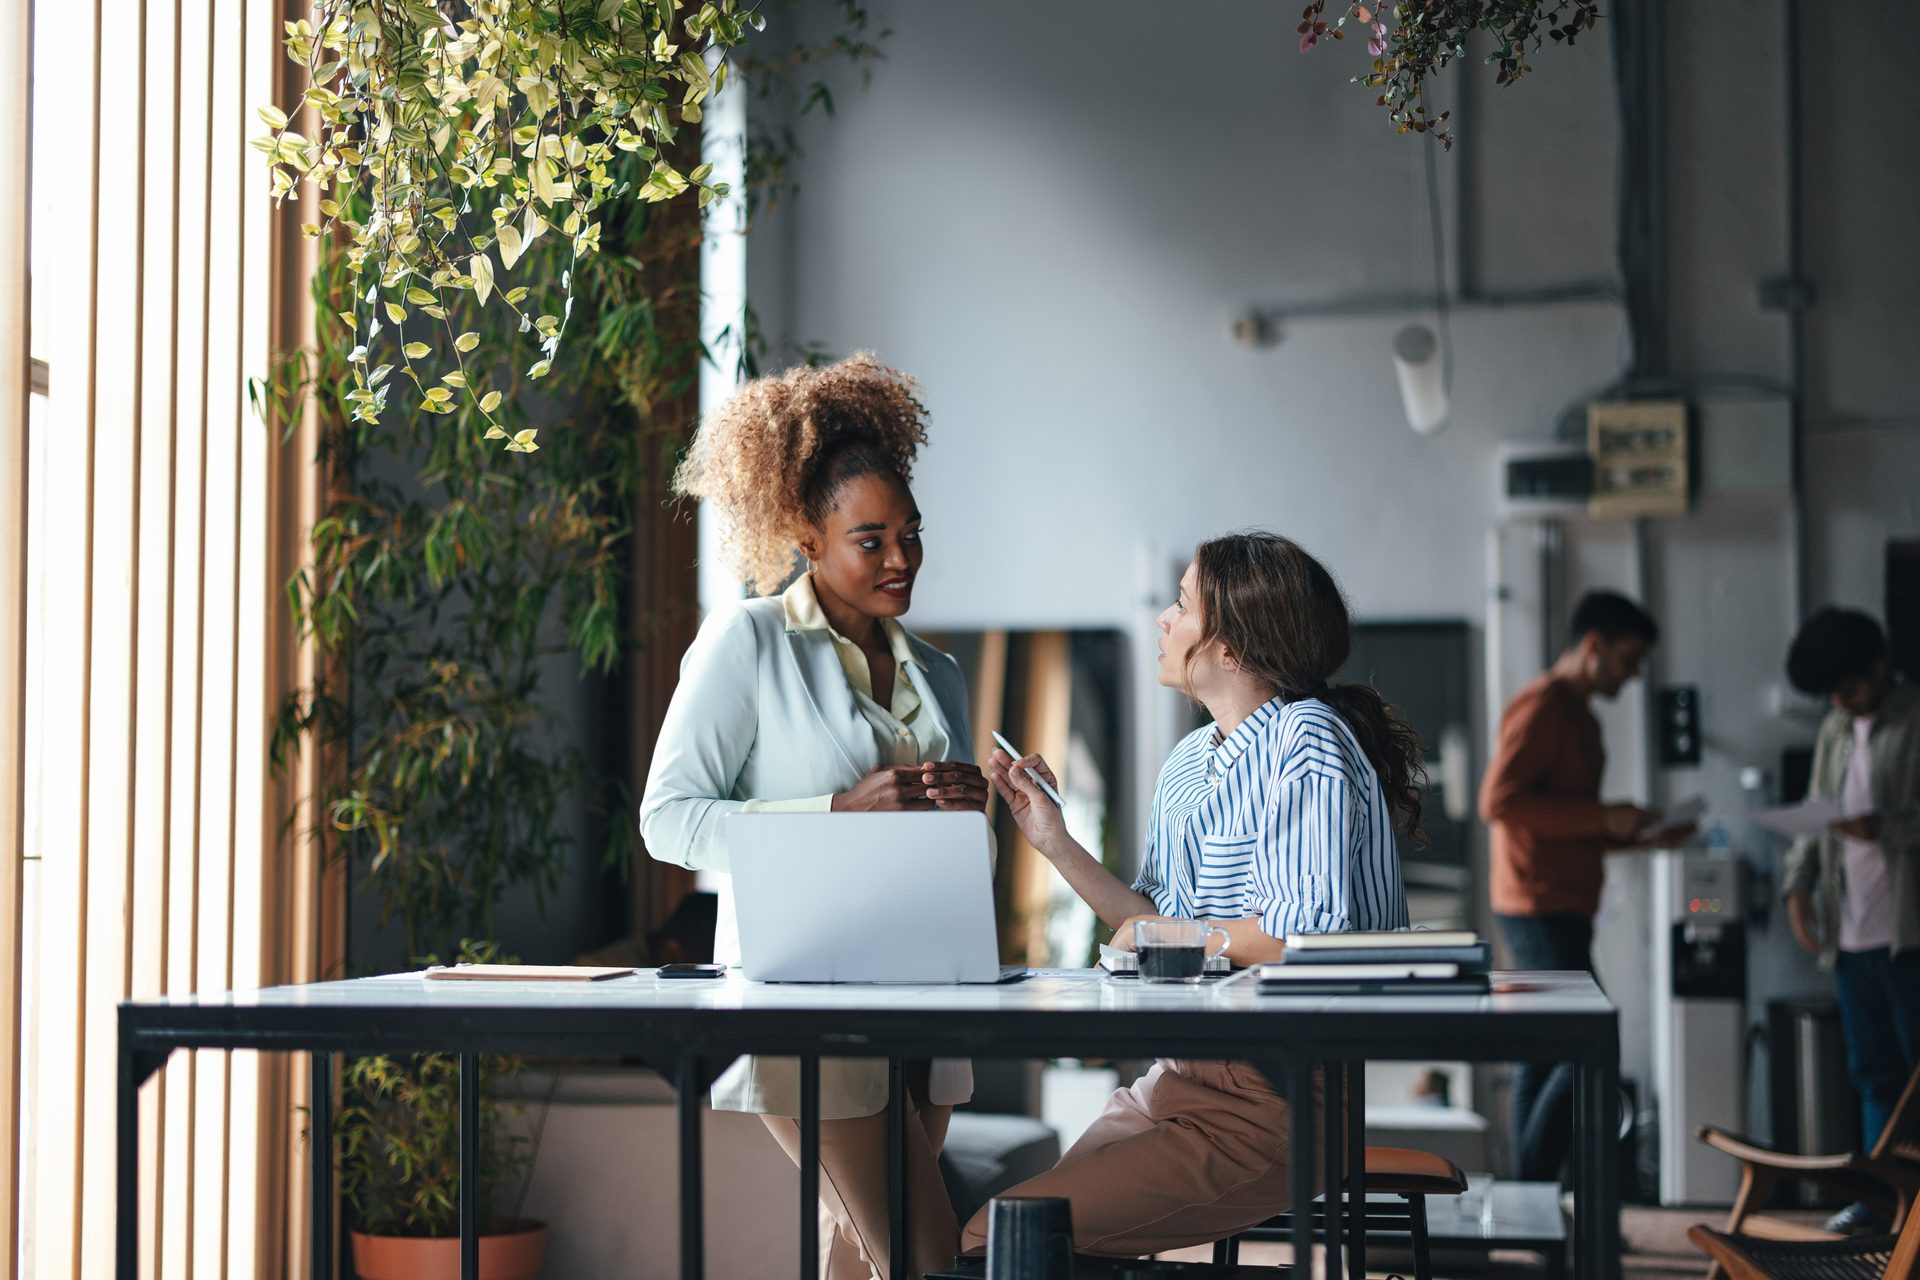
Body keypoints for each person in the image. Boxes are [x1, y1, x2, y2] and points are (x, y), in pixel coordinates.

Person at [959, 531, 1417, 1259]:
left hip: (1277, 1099)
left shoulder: (1308, 741)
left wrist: (1161, 938)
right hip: (1176, 1081)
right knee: (1003, 1237)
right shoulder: (1188, 762)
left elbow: (1300, 939)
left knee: (1000, 1239)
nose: (1164, 621)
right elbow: (1148, 923)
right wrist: (1051, 838)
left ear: (1231, 649)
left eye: (1181, 605)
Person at [639, 354, 989, 1280]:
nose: (902, 559)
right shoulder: (747, 643)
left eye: (910, 533)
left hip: (930, 1007)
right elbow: (667, 821)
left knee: (859, 1257)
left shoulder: (939, 673)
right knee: (925, 1258)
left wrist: (970, 811)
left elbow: (951, 859)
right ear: (805, 535)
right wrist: (834, 812)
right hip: (807, 1007)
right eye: (870, 540)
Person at [1479, 589, 1678, 1183]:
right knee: (1585, 1044)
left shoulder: (1578, 716)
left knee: (1546, 1056)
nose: (1636, 673)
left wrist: (1640, 834)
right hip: (1537, 906)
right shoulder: (1543, 707)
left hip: (1558, 904)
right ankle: (1535, 1197)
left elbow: (1569, 821)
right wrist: (1603, 817)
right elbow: (1499, 801)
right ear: (1594, 646)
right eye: (1629, 658)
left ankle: (1531, 1203)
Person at [1782, 607, 1920, 1236]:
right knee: (1872, 1073)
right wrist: (1797, 887)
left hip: (1908, 931)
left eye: (1851, 688)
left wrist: (1884, 830)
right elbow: (1817, 812)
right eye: (1831, 695)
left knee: (1916, 1074)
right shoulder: (1836, 728)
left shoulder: (1915, 719)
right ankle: (1879, 1201)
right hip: (1852, 930)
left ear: (1879, 665)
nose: (1842, 702)